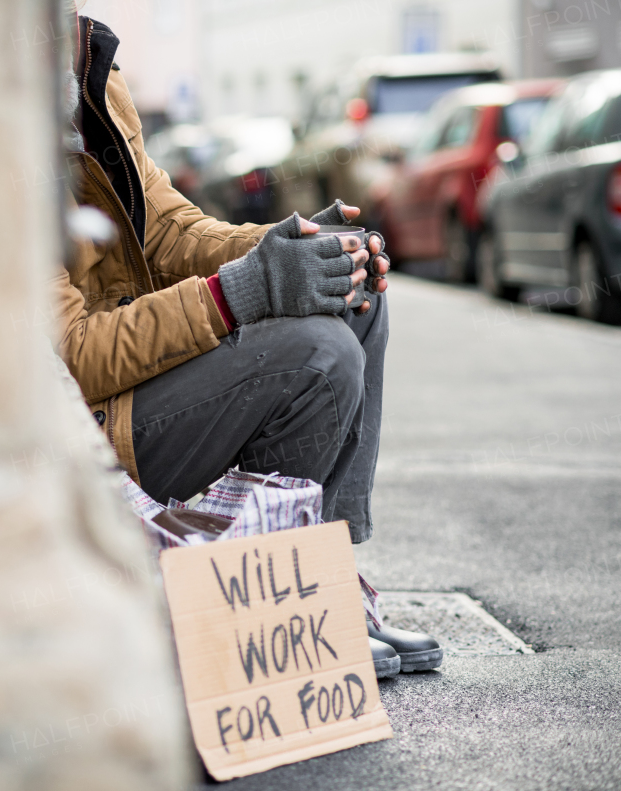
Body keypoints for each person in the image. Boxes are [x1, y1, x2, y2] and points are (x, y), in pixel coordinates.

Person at [51, 7, 441, 677]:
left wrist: (289, 246)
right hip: (75, 430)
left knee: (353, 295)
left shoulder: (88, 71)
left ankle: (328, 579)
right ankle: (277, 609)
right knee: (321, 354)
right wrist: (243, 292)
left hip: (129, 392)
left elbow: (171, 232)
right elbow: (72, 356)